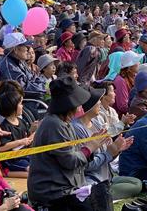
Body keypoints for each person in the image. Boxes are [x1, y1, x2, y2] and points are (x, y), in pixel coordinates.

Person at [28, 76, 107, 210]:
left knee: (102, 195)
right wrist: (90, 147)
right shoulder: (54, 125)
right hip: (53, 192)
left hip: (66, 186)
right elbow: (69, 161)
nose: (80, 107)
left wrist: (90, 146)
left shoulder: (64, 122)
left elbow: (74, 153)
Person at [72, 87, 135, 211]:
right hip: (92, 181)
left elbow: (108, 154)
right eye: (98, 101)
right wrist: (109, 153)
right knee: (134, 186)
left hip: (106, 177)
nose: (100, 104)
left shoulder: (96, 123)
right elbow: (86, 165)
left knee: (135, 182)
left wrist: (117, 149)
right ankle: (101, 195)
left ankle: (106, 193)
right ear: (89, 105)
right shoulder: (77, 129)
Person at [0, 81, 35, 178]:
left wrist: (35, 133)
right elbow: (2, 147)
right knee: (32, 171)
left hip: (25, 155)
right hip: (13, 159)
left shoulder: (21, 122)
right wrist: (20, 141)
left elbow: (27, 139)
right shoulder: (4, 126)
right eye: (20, 103)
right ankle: (7, 172)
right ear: (13, 107)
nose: (22, 106)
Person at [0, 33, 45, 100]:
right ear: (16, 50)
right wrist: (43, 88)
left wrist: (41, 85)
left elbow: (34, 77)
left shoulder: (20, 61)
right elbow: (22, 89)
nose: (27, 49)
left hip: (30, 98)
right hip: (19, 103)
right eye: (25, 46)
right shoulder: (8, 65)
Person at [114, 51, 143, 116]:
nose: (139, 63)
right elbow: (122, 106)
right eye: (136, 62)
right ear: (129, 67)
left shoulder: (134, 76)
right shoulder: (120, 80)